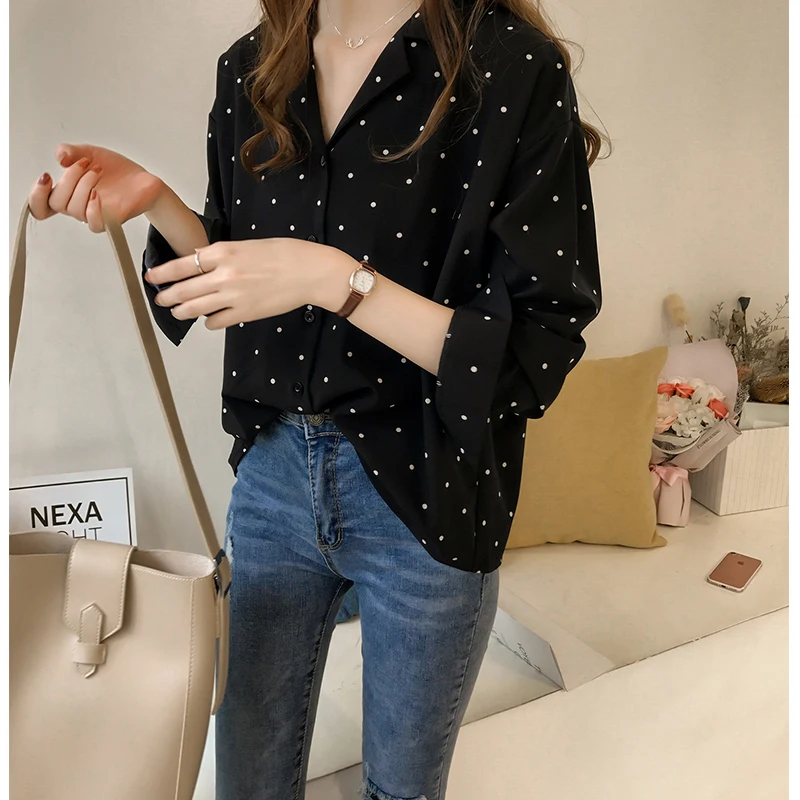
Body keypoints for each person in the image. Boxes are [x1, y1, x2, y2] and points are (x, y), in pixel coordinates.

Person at [27, 0, 604, 797]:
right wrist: (159, 202)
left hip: (428, 486)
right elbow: (238, 267)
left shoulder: (508, 67)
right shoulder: (254, 65)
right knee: (245, 782)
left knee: (399, 790)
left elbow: (532, 349)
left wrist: (337, 279)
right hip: (272, 481)